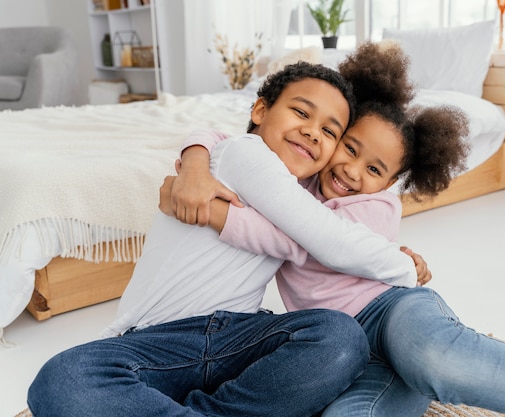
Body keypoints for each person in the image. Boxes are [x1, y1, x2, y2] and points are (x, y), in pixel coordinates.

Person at [165, 43, 505, 417]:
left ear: (390, 184)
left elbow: (303, 243)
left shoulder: (377, 206)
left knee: (432, 357)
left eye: (375, 168)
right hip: (344, 348)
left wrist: (216, 214)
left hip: (393, 312)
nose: (352, 170)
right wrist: (194, 161)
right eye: (349, 147)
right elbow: (227, 138)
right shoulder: (297, 177)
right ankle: (413, 375)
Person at [27, 60, 424, 417]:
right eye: (301, 112)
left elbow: (331, 235)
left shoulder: (302, 193)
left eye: (329, 132)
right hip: (156, 343)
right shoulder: (245, 154)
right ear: (260, 110)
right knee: (61, 380)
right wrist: (404, 265)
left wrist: (196, 156)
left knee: (340, 336)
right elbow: (329, 240)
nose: (311, 131)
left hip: (235, 336)